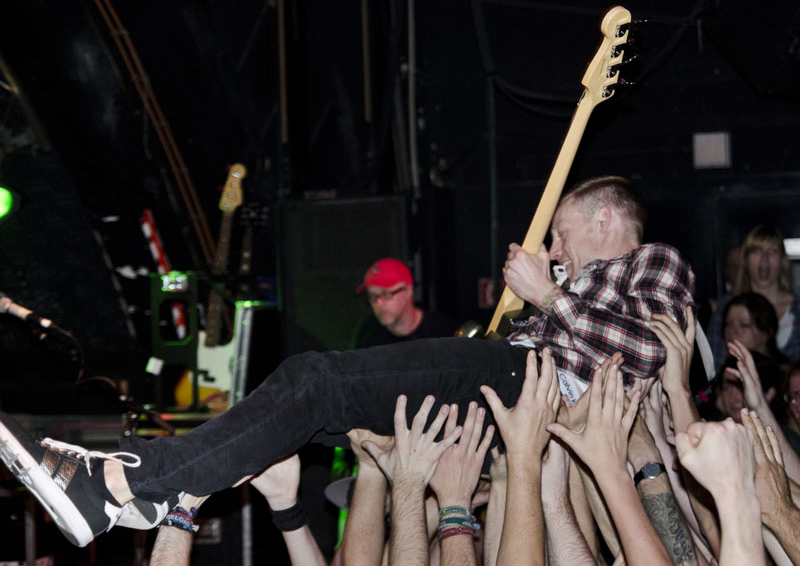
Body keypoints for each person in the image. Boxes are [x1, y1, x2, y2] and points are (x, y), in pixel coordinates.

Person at [0, 175, 695, 548]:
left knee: (314, 380)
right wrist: (547, 297)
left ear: (605, 222)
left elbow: (651, 355)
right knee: (304, 404)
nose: (557, 249)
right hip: (507, 392)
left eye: (565, 234)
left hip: (524, 386)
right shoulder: (570, 289)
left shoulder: (651, 262)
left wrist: (550, 296)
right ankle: (129, 488)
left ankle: (121, 487)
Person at [708, 225, 800, 370]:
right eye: (757, 251)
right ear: (745, 260)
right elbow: (714, 367)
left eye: (773, 251)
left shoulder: (797, 308)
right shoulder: (727, 308)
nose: (765, 258)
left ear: (783, 260)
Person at [350, 257, 456, 348]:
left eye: (386, 294)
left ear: (408, 290)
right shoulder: (368, 336)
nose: (378, 303)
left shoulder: (444, 333)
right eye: (372, 297)